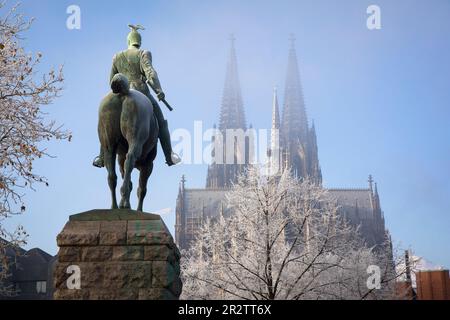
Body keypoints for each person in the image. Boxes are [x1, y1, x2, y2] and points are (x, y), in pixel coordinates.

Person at [93, 24, 180, 167]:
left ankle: (102, 157)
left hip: (118, 93)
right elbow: (151, 73)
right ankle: (169, 155)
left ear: (128, 42)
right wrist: (159, 90)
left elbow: (111, 81)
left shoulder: (117, 56)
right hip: (141, 92)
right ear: (138, 42)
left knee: (105, 122)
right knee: (162, 122)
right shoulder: (143, 53)